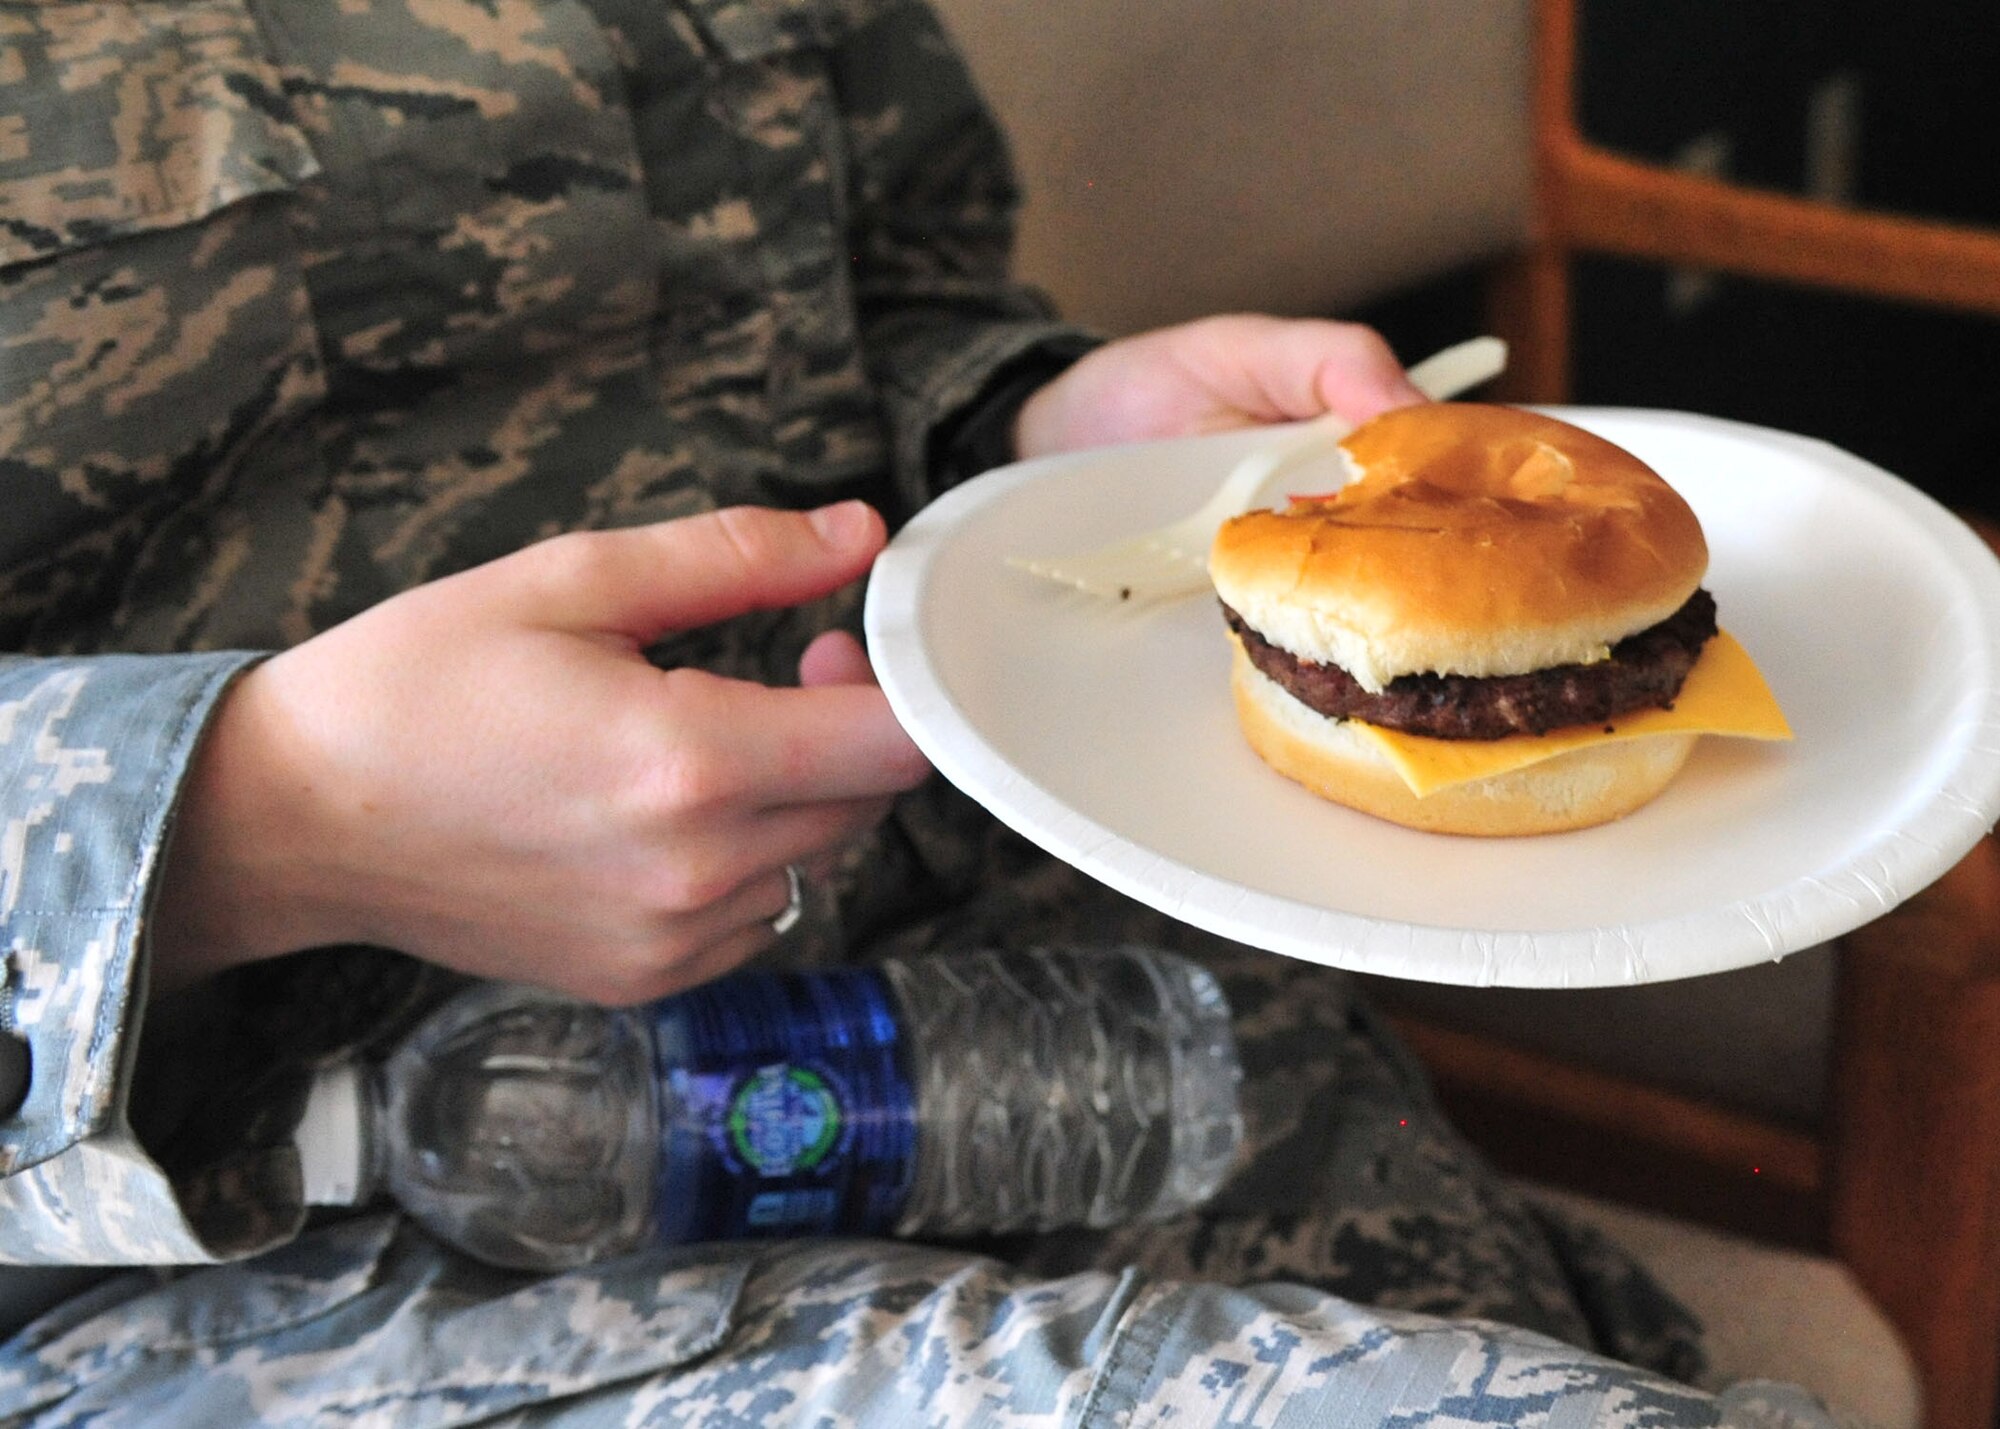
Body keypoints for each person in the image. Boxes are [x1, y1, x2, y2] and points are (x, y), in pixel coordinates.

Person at [0, 0, 1841, 1423]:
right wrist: (266, 815)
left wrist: (1039, 441)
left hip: (1011, 994)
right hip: (211, 1240)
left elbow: (885, 287)